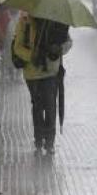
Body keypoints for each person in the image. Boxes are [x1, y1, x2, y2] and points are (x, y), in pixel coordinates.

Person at [13, 13, 72, 154]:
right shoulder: (25, 22)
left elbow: (68, 42)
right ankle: (39, 140)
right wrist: (31, 55)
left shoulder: (56, 22)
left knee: (51, 106)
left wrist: (59, 49)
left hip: (51, 72)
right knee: (38, 106)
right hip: (32, 74)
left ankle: (50, 142)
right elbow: (17, 47)